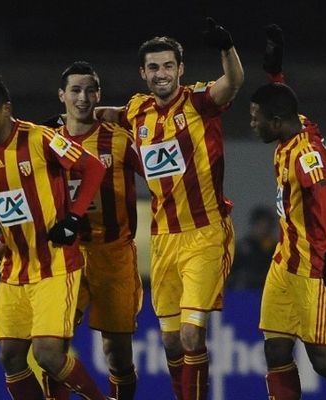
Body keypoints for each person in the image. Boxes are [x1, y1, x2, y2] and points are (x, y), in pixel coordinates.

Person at [0, 70, 114, 400]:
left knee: (47, 353)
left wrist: (74, 218)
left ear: (5, 108)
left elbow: (93, 167)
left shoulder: (40, 139)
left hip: (56, 264)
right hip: (15, 270)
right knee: (10, 356)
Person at [98, 17, 244, 400]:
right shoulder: (137, 109)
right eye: (153, 67)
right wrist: (76, 120)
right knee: (172, 343)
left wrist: (227, 49)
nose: (160, 74)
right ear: (143, 72)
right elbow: (113, 115)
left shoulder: (199, 101)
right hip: (163, 239)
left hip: (206, 233)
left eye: (167, 66)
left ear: (180, 69)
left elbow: (234, 83)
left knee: (193, 334)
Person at [0, 61, 144, 400]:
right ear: (62, 96)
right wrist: (3, 240)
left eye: (90, 90)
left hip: (113, 253)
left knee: (117, 352)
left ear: (99, 95)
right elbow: (30, 198)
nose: (83, 98)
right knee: (54, 346)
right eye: (75, 90)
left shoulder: (119, 140)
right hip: (63, 255)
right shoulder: (47, 141)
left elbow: (161, 180)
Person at [250, 27, 326, 399]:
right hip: (284, 261)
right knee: (275, 349)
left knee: (322, 358)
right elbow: (285, 104)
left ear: (274, 123)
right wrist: (276, 76)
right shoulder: (293, 126)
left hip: (315, 266)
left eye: (256, 118)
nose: (252, 124)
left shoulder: (307, 157)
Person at [228, 206, 277, 290]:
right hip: (245, 293)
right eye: (260, 226)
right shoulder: (242, 248)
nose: (263, 230)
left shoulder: (275, 249)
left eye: (266, 227)